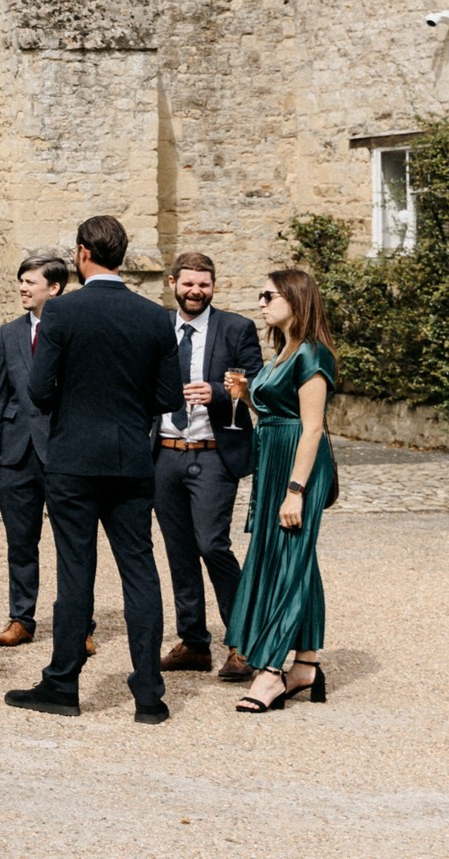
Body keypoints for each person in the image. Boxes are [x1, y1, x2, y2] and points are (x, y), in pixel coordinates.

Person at [6, 215, 184, 724]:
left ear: (83, 253)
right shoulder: (154, 317)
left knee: (75, 569)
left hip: (72, 460)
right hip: (130, 457)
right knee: (140, 570)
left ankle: (63, 684)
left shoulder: (61, 314)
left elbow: (39, 392)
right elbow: (169, 396)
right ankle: (149, 693)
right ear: (122, 255)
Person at [227, 267, 339, 714]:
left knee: (287, 559)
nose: (261, 302)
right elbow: (276, 411)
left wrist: (295, 490)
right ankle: (306, 665)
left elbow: (311, 428)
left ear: (295, 298)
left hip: (299, 467)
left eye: (269, 295)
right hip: (274, 459)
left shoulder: (314, 354)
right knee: (294, 558)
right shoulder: (284, 351)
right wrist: (249, 395)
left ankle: (270, 671)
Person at [155, 251, 264, 682]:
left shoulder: (236, 327)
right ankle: (194, 642)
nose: (196, 291)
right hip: (163, 452)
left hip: (214, 450)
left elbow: (256, 385)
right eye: (188, 284)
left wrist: (219, 394)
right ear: (172, 283)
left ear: (213, 285)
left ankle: (242, 642)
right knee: (178, 550)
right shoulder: (157, 326)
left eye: (204, 284)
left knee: (212, 544)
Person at [0, 253, 71, 649]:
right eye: (21, 280)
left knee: (73, 541)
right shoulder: (9, 332)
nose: (22, 287)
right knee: (20, 540)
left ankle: (78, 625)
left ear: (54, 288)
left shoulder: (73, 328)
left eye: (30, 282)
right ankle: (21, 618)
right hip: (16, 451)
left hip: (64, 447)